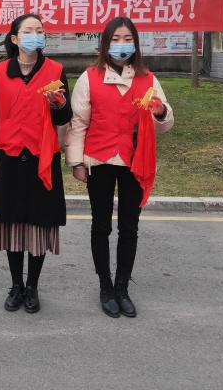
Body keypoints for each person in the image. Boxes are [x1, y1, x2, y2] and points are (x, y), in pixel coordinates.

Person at [65, 17, 174, 318]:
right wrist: (76, 161)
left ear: (136, 44)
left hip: (134, 162)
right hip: (98, 160)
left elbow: (164, 123)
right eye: (115, 39)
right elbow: (78, 123)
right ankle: (105, 286)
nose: (121, 45)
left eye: (127, 39)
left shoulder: (148, 80)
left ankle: (122, 287)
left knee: (130, 227)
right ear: (105, 43)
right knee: (101, 226)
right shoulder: (89, 77)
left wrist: (160, 112)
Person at [0, 13, 71, 314]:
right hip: (8, 157)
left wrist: (59, 103)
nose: (36, 35)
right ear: (15, 38)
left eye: (40, 30)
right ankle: (16, 284)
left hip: (41, 158)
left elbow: (64, 117)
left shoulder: (55, 71)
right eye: (29, 30)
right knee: (11, 223)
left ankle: (32, 286)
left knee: (38, 223)